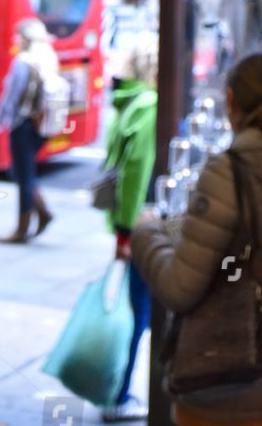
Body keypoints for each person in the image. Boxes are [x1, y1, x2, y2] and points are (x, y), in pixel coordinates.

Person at [131, 49, 262, 426]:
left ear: (230, 100)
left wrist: (146, 233)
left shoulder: (229, 172)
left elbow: (180, 288)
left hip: (227, 386)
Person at [102, 37, 159, 423]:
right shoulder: (151, 107)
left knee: (136, 311)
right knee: (139, 314)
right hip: (140, 228)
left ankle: (117, 389)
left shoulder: (129, 103)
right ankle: (119, 394)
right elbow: (136, 172)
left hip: (127, 227)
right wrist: (127, 232)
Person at [0, 16, 59, 242]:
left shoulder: (23, 61)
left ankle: (22, 228)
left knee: (24, 175)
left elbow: (11, 97)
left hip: (23, 126)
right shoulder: (47, 57)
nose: (15, 39)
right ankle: (43, 213)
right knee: (22, 173)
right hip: (41, 127)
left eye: (18, 35)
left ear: (26, 38)